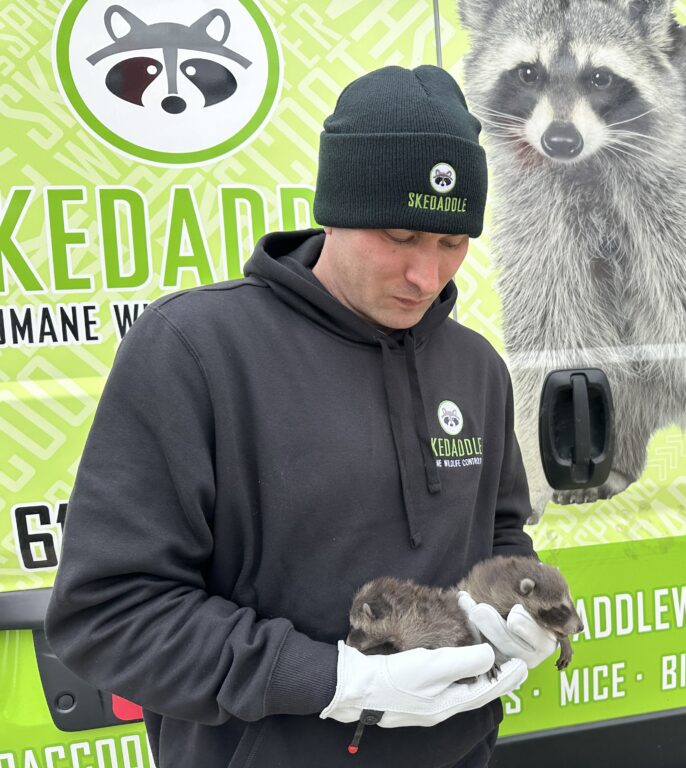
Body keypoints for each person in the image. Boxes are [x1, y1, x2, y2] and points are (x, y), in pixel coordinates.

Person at [44, 64, 556, 768]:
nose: (427, 276)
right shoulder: (195, 351)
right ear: (334, 209)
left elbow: (498, 532)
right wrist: (338, 682)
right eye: (401, 236)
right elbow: (110, 614)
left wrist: (516, 605)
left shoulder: (475, 367)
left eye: (450, 242)